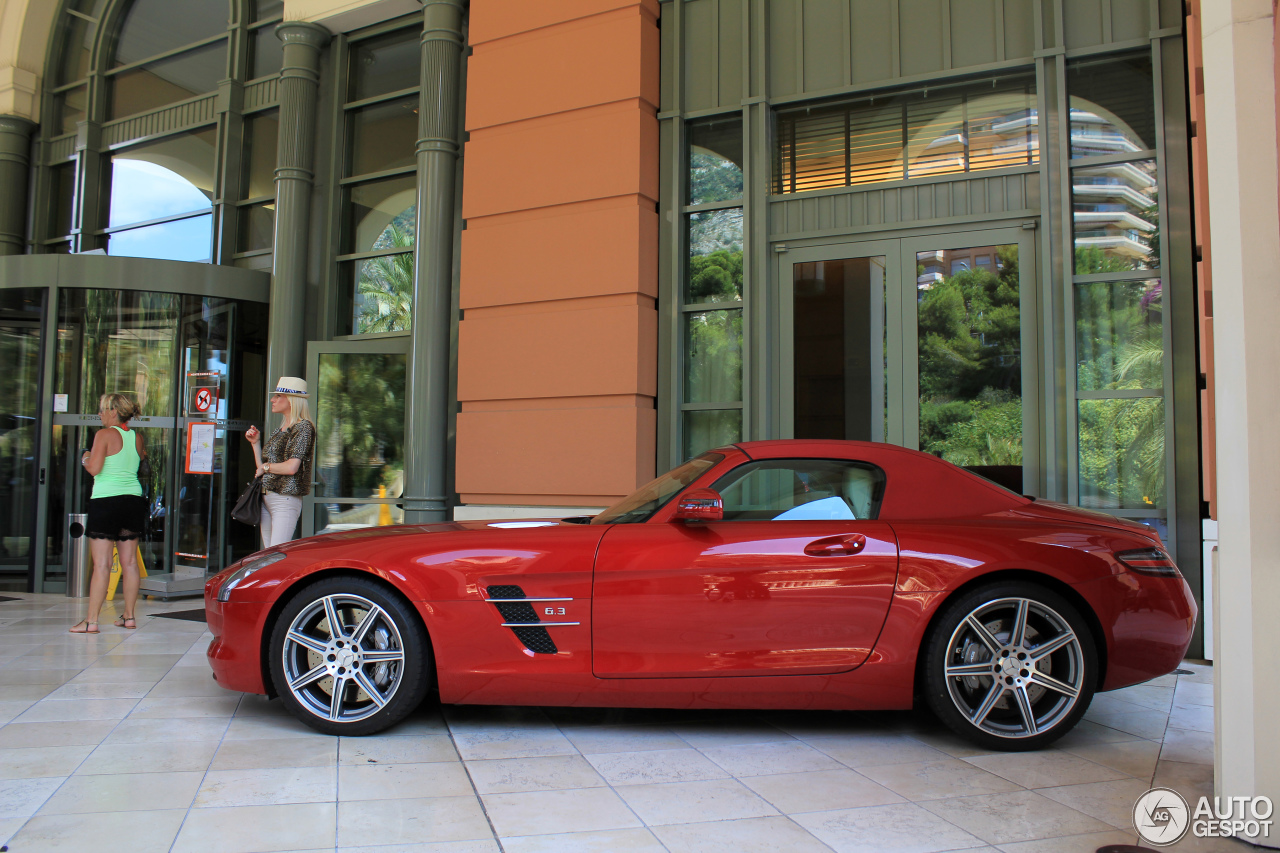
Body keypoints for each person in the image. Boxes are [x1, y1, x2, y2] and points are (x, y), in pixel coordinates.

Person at [70, 393, 147, 634]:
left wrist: (84, 457)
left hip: (106, 500)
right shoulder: (137, 437)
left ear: (114, 411)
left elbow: (94, 469)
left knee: (102, 564)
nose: (100, 414)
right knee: (130, 562)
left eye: (103, 410)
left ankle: (91, 621)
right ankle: (129, 617)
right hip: (133, 500)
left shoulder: (103, 435)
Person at [245, 377, 315, 547]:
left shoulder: (303, 427)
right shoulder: (281, 429)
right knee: (268, 555)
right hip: (267, 497)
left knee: (276, 554)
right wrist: (255, 444)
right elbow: (262, 468)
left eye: (278, 396)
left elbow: (291, 467)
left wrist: (267, 467)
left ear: (291, 400)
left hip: (285, 499)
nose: (272, 400)